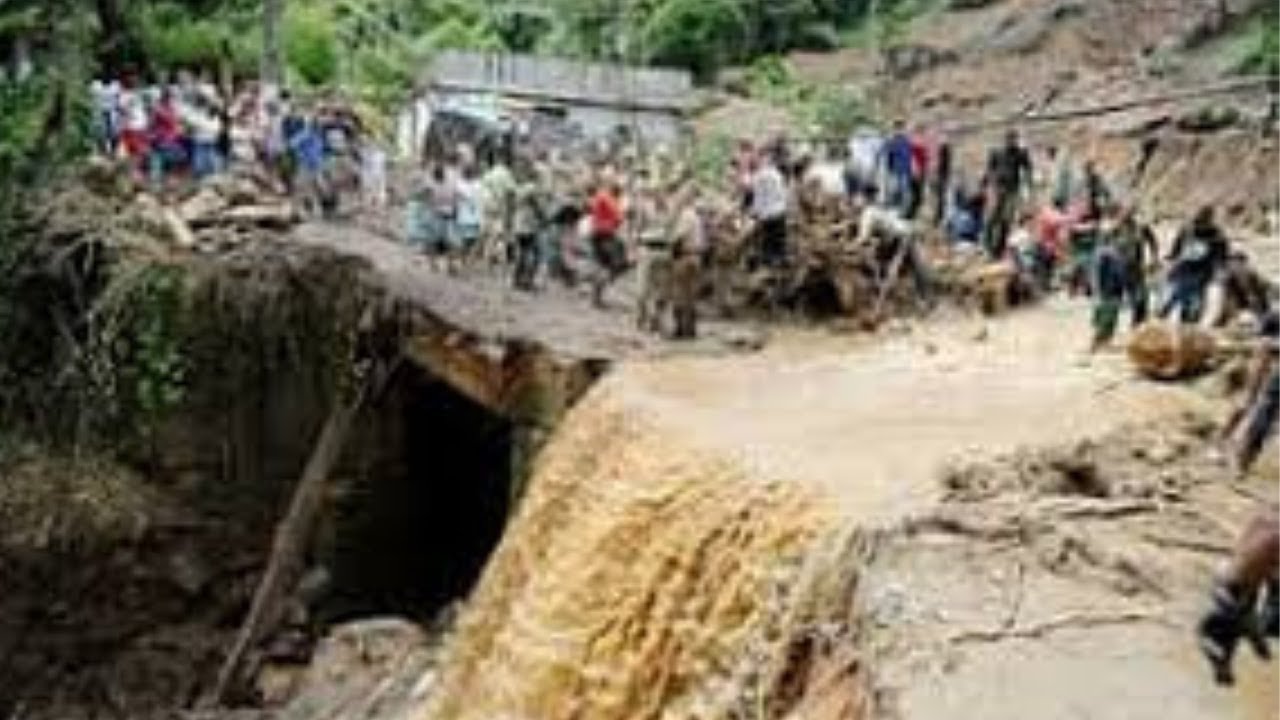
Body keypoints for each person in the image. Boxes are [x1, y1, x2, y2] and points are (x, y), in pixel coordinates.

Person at [1197, 508, 1279, 686]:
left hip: (1227, 579)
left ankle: (1254, 648)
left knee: (1246, 627)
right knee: (1251, 626)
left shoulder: (1262, 520)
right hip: (1234, 593)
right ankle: (1250, 648)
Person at [1161, 205, 1230, 324]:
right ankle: (1167, 316)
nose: (1201, 224)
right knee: (1180, 297)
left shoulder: (1216, 234)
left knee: (1193, 302)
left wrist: (1220, 269)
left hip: (1200, 272)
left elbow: (1222, 254)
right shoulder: (1188, 230)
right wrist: (1171, 259)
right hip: (1185, 270)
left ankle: (1186, 323)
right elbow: (1177, 247)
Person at [982, 129, 1034, 260]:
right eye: (1010, 139)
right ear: (1005, 140)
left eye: (1014, 139)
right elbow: (989, 168)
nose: (1012, 142)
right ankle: (987, 246)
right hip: (998, 188)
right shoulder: (997, 151)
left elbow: (1028, 169)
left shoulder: (1020, 152)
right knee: (992, 218)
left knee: (1006, 219)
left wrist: (1029, 187)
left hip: (1012, 190)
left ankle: (997, 250)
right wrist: (986, 184)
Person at [1090, 212, 1128, 351]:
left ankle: (1105, 342)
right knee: (1105, 319)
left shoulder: (1115, 251)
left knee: (1112, 318)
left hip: (1115, 290)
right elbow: (1096, 274)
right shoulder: (1102, 253)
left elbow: (1120, 272)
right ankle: (1096, 344)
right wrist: (1097, 292)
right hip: (1107, 291)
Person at [588, 177, 627, 307]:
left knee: (602, 264)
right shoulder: (606, 197)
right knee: (618, 263)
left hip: (598, 233)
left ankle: (596, 296)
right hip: (605, 234)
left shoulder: (601, 196)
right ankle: (598, 292)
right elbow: (619, 216)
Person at [750, 153, 790, 270]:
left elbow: (758, 197)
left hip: (766, 213)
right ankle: (781, 259)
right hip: (779, 210)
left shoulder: (757, 177)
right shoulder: (776, 174)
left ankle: (769, 263)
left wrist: (755, 213)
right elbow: (783, 193)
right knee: (779, 238)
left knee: (767, 240)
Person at [511, 168, 546, 292]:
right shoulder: (532, 189)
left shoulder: (519, 187)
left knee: (522, 253)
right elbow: (538, 207)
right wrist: (544, 218)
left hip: (518, 223)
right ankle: (527, 280)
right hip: (528, 225)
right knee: (534, 253)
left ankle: (517, 279)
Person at [881, 121, 915, 212]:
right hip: (895, 170)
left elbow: (910, 156)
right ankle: (894, 210)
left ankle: (902, 211)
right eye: (897, 129)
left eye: (901, 129)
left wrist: (911, 168)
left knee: (903, 191)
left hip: (904, 170)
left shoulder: (907, 141)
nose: (899, 131)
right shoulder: (891, 141)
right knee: (895, 190)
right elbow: (886, 156)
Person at [931, 132, 953, 227]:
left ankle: (937, 219)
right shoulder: (944, 150)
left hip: (942, 177)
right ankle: (937, 219)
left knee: (940, 199)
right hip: (942, 177)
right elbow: (942, 165)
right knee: (940, 200)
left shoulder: (943, 149)